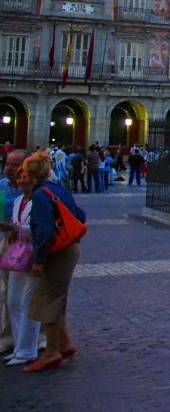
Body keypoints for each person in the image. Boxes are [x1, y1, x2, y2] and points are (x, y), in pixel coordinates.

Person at [23, 151, 86, 372]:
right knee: (57, 298)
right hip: (70, 248)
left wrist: (39, 260)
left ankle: (51, 353)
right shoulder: (58, 190)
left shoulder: (40, 195)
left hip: (57, 251)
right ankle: (65, 344)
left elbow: (45, 230)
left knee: (49, 300)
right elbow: (81, 215)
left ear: (30, 174)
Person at [0, 165, 42, 365]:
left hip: (34, 254)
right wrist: (11, 229)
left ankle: (27, 350)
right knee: (13, 300)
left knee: (28, 302)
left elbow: (41, 228)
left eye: (26, 177)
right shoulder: (18, 201)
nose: (22, 181)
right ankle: (18, 345)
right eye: (20, 178)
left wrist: (14, 227)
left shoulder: (40, 201)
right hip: (17, 253)